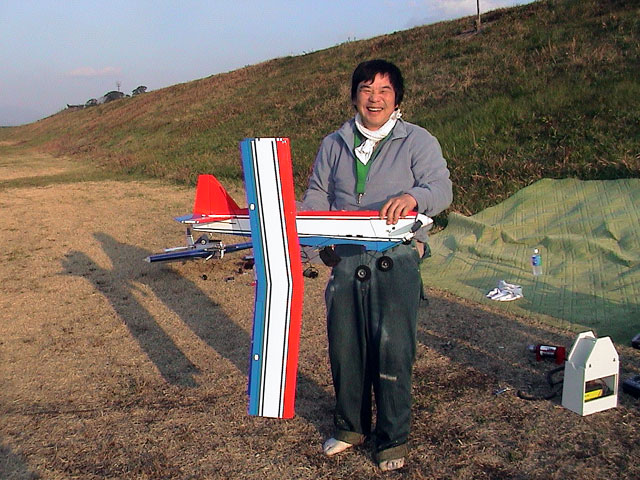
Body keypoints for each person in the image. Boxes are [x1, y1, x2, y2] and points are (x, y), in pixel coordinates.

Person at [299, 59, 453, 471]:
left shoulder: (417, 140)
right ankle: (350, 427)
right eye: (366, 89)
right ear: (354, 96)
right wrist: (319, 248)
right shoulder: (334, 143)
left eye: (384, 90)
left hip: (395, 258)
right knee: (345, 347)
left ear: (397, 98)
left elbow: (441, 188)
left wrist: (414, 197)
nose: (375, 98)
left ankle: (391, 440)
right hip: (346, 259)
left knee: (393, 350)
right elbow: (316, 195)